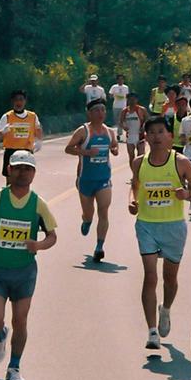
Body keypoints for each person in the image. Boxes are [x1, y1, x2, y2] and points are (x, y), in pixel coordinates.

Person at [0, 150, 57, 380]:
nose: (22, 172)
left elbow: (52, 235)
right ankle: (0, 335)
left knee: (21, 320)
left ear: (34, 173)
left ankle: (14, 367)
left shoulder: (39, 204)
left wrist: (38, 244)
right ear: (9, 170)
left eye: (27, 168)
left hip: (24, 271)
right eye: (18, 167)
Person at [130, 116, 191, 349]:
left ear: (170, 136)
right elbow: (135, 186)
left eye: (161, 131)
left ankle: (166, 309)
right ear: (146, 137)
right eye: (151, 132)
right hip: (146, 225)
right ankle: (152, 332)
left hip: (173, 226)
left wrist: (188, 195)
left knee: (169, 278)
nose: (156, 136)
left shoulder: (181, 162)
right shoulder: (138, 162)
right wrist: (133, 201)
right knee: (150, 276)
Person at [65, 99, 119, 263]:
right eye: (97, 110)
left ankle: (99, 247)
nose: (101, 113)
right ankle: (86, 221)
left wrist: (114, 149)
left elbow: (115, 146)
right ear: (90, 113)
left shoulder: (109, 132)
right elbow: (68, 149)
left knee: (103, 211)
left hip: (103, 179)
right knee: (89, 214)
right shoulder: (83, 131)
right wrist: (86, 152)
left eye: (103, 110)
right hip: (85, 180)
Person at [0, 90, 43, 181]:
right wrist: (3, 132)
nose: (19, 102)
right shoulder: (7, 117)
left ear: (25, 101)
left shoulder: (33, 116)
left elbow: (38, 129)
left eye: (21, 99)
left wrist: (39, 141)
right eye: (16, 100)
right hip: (11, 152)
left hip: (26, 152)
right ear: (13, 101)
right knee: (10, 181)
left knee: (25, 180)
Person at [120, 92, 149, 164]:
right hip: (130, 136)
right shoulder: (124, 111)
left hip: (140, 136)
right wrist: (124, 126)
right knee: (131, 157)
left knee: (141, 156)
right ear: (127, 100)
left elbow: (148, 120)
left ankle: (140, 172)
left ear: (137, 100)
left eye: (134, 99)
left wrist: (144, 127)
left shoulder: (142, 109)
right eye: (130, 99)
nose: (132, 101)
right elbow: (121, 121)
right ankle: (134, 172)